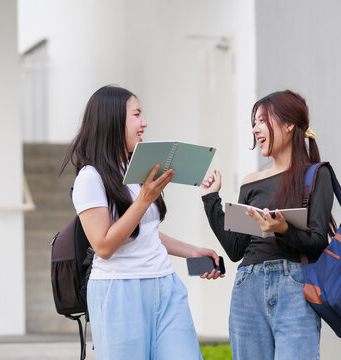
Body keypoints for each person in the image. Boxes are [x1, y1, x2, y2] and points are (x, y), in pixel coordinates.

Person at [61, 85, 223, 360]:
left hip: (164, 285)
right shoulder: (90, 177)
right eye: (136, 114)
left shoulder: (135, 170)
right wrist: (144, 200)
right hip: (119, 292)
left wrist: (192, 251)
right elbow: (103, 245)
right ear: (112, 120)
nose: (144, 122)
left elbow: (144, 231)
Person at [200, 90, 335, 360]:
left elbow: (319, 242)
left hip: (295, 287)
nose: (255, 129)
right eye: (254, 122)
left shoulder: (317, 174)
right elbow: (236, 248)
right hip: (247, 286)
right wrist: (210, 199)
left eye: (263, 120)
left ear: (289, 125)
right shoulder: (251, 181)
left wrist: (283, 229)